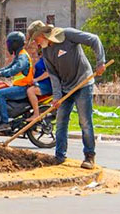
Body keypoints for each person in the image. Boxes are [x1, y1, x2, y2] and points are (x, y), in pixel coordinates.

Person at [26, 20, 106, 169]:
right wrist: (57, 97)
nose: (36, 43)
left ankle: (89, 156)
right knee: (61, 121)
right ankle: (59, 156)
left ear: (42, 35)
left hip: (83, 83)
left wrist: (100, 62)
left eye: (35, 39)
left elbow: (94, 39)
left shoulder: (67, 35)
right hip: (65, 88)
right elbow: (53, 76)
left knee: (85, 121)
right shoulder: (46, 52)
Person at [0, 31, 34, 133]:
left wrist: (2, 74)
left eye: (9, 43)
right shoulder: (19, 55)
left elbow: (15, 69)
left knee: (0, 94)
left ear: (15, 43)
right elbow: (9, 67)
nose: (8, 46)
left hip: (23, 88)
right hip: (20, 86)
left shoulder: (23, 57)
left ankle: (5, 122)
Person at [26, 44, 52, 118]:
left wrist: (36, 79)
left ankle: (36, 114)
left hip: (46, 84)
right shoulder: (42, 57)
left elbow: (48, 73)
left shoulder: (48, 59)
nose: (39, 49)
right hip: (38, 83)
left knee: (30, 91)